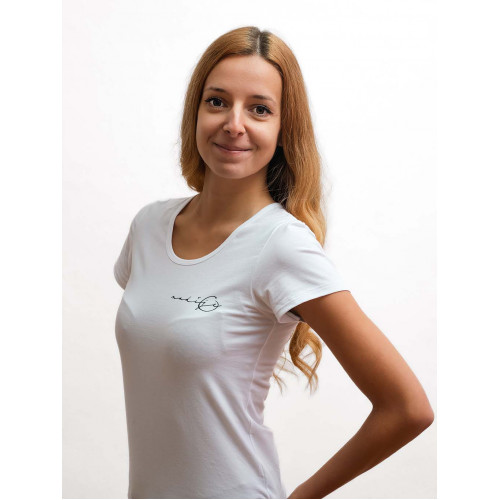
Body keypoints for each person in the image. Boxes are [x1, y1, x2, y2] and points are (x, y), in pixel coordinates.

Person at [113, 26, 434, 499]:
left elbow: (407, 408)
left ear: (284, 129)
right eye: (217, 101)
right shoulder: (148, 226)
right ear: (195, 111)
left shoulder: (281, 246)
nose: (234, 123)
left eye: (259, 109)